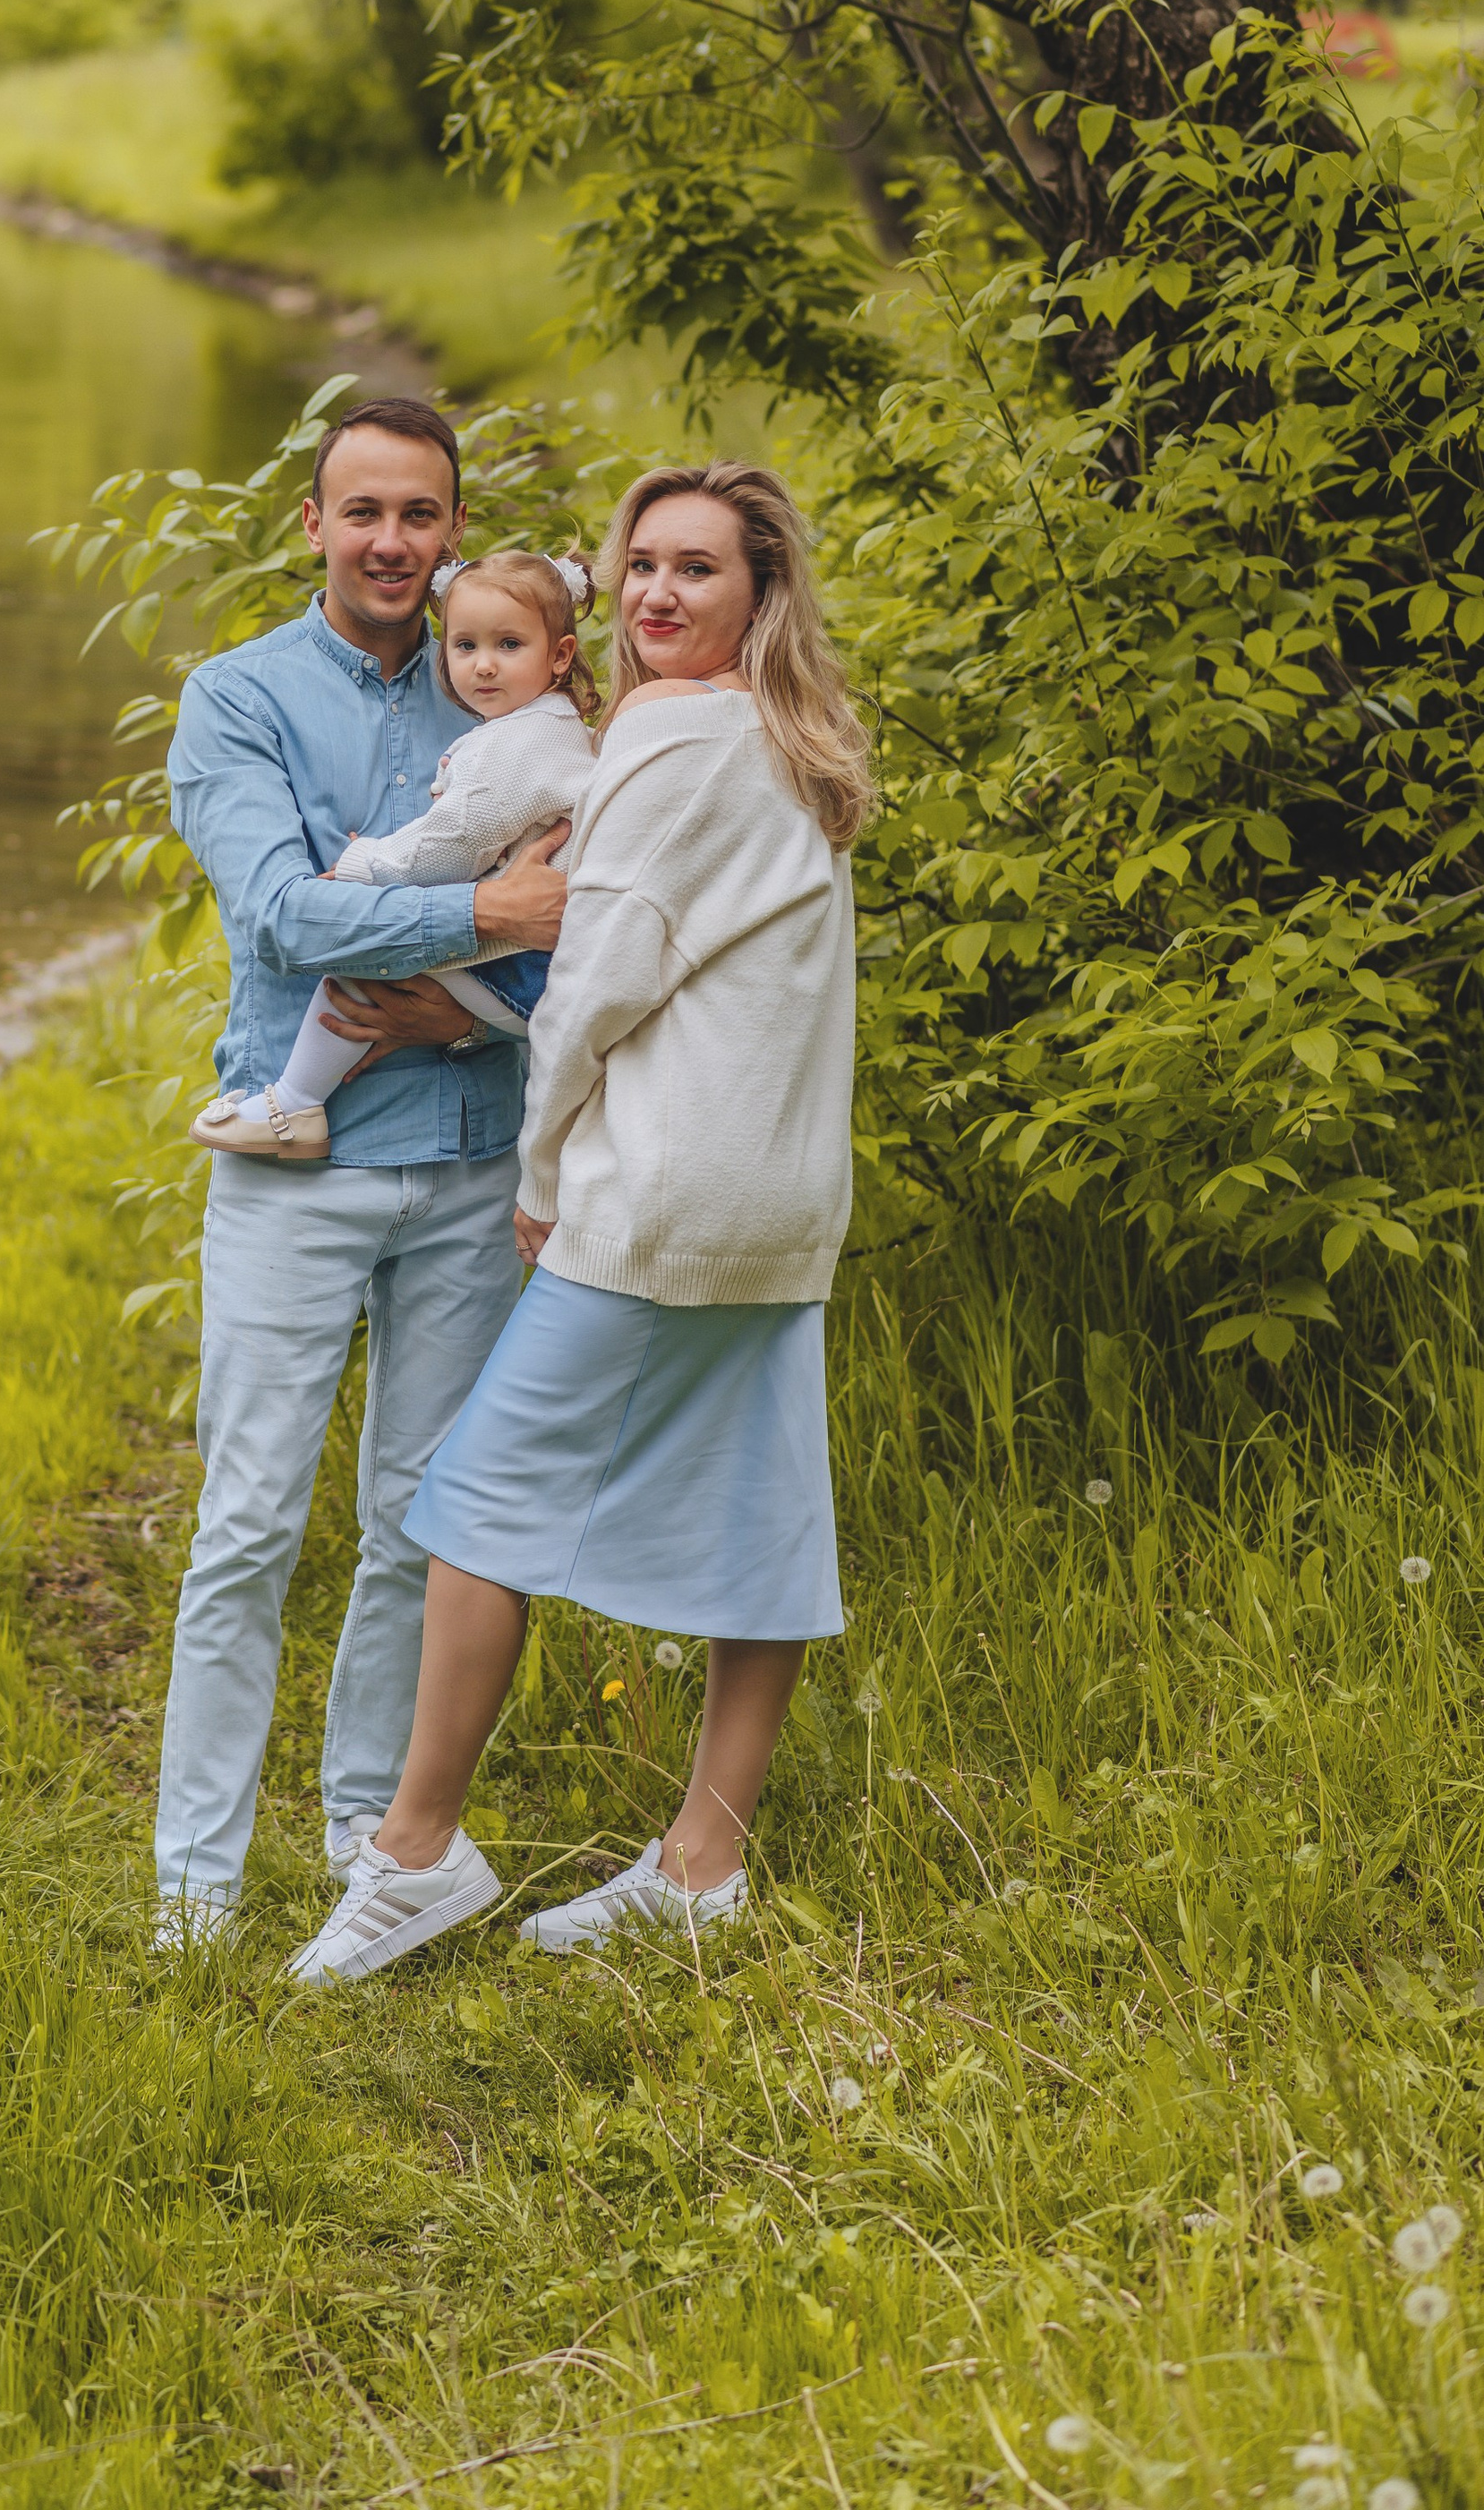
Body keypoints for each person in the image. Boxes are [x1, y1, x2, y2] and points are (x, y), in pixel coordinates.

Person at [284, 458, 872, 1985]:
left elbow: (595, 992)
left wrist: (543, 1180)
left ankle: (417, 1849)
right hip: (778, 1194)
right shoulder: (790, 742)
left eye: (700, 568)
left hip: (664, 1187)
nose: (661, 593)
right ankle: (702, 1865)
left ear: (760, 593)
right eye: (645, 564)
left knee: (471, 1505)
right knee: (759, 1511)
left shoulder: (671, 738)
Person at [154, 399, 574, 1942]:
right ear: (315, 523)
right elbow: (280, 918)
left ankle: (369, 1841)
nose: (391, 542)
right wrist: (490, 919)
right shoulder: (240, 696)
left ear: (454, 527)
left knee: (416, 1521)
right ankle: (194, 1887)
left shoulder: (515, 683)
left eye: (420, 514)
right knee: (249, 1523)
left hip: (469, 1161)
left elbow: (594, 903)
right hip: (301, 1167)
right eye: (364, 512)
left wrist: (473, 981)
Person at [189, 549, 600, 1160]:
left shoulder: (520, 742)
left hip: (522, 969)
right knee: (379, 938)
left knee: (363, 956)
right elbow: (279, 918)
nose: (484, 665)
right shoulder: (541, 726)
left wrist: (366, 864)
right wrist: (490, 906)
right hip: (545, 968)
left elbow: (454, 842)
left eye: (509, 646)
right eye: (465, 647)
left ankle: (293, 1104)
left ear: (560, 656)